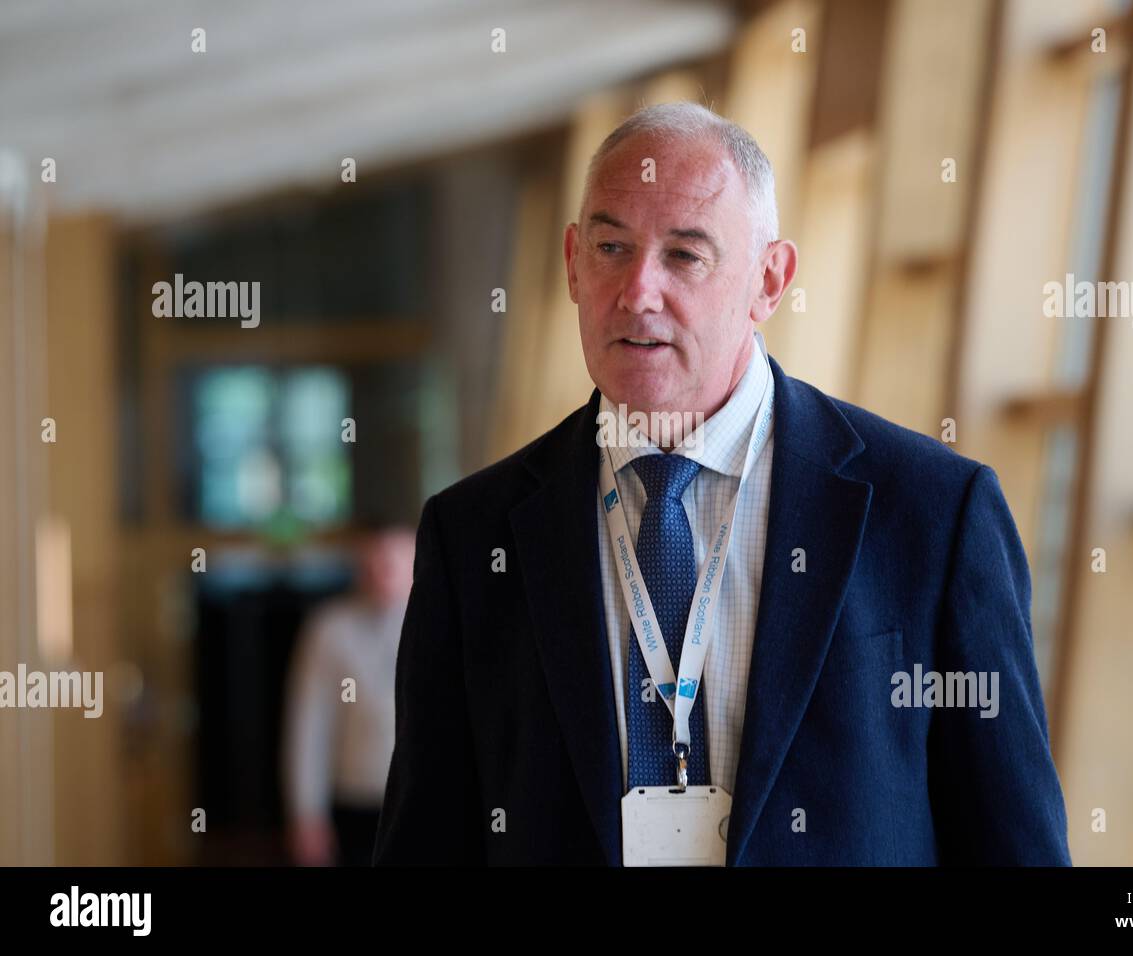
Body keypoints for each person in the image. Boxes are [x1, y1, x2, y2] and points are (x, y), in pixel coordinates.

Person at [373, 102, 1071, 865]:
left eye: (684, 255)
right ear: (573, 262)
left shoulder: (934, 513)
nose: (638, 291)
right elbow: (427, 838)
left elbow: (1015, 844)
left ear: (769, 280)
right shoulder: (475, 534)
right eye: (612, 247)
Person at [282, 524, 415, 866]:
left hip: (423, 797)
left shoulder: (440, 622)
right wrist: (305, 811)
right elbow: (310, 724)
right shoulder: (331, 629)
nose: (383, 570)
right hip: (357, 798)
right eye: (375, 559)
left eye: (394, 559)